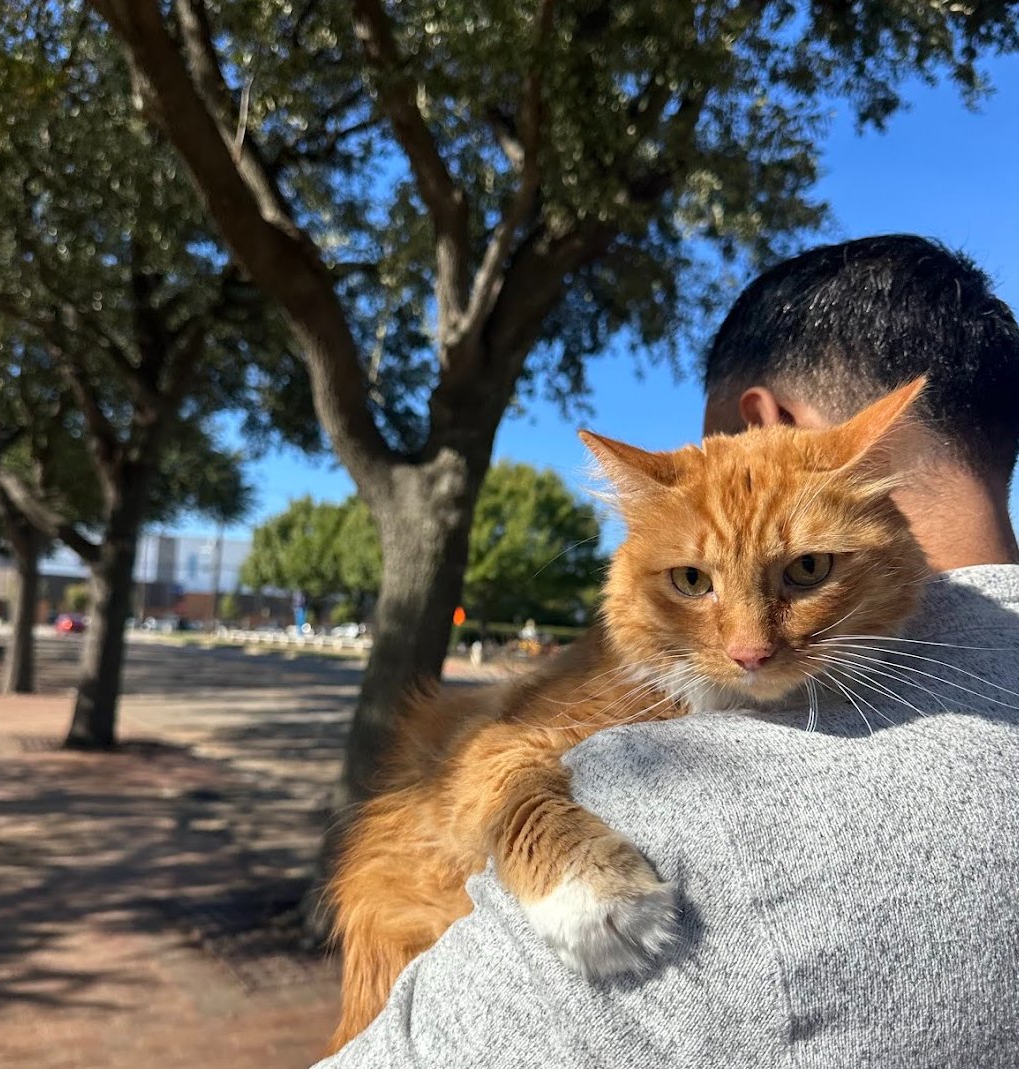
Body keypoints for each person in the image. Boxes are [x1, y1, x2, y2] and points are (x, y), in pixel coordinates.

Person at [313, 235, 1019, 1068]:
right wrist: (533, 819)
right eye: (692, 580)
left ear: (766, 426)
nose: (752, 645)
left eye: (807, 570)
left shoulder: (679, 810)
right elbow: (482, 761)